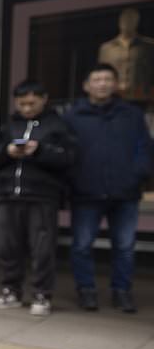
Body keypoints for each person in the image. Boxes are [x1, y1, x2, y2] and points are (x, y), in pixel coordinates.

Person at [0, 80, 75, 316]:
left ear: (44, 99)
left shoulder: (58, 126)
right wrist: (7, 152)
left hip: (42, 195)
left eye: (32, 103)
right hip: (8, 193)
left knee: (42, 247)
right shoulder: (9, 126)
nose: (26, 108)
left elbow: (69, 158)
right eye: (22, 103)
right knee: (7, 246)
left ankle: (42, 295)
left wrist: (40, 151)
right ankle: (10, 291)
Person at [64, 63, 153, 313]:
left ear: (115, 84)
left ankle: (122, 291)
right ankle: (86, 290)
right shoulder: (73, 116)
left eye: (107, 79)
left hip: (125, 192)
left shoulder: (132, 115)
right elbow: (66, 153)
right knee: (82, 245)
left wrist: (137, 175)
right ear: (86, 86)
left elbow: (144, 149)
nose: (102, 84)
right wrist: (74, 179)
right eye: (97, 79)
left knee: (124, 246)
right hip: (86, 192)